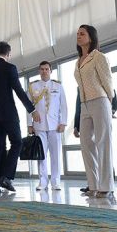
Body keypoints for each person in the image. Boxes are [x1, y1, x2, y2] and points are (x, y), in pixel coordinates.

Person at [0, 42, 39, 194]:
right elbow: (18, 90)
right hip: (8, 114)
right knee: (16, 142)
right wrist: (31, 109)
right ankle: (6, 176)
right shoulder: (10, 68)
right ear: (8, 54)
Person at [74, 24, 115, 198]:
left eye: (82, 34)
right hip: (84, 104)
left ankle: (106, 186)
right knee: (86, 144)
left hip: (100, 101)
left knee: (103, 142)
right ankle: (93, 185)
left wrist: (110, 104)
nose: (79, 36)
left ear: (91, 37)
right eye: (77, 34)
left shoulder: (99, 57)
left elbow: (108, 82)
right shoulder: (78, 61)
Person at [27, 61, 68, 191]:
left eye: (46, 69)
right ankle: (43, 181)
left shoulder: (58, 86)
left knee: (55, 155)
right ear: (39, 71)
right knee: (42, 155)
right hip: (39, 126)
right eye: (42, 69)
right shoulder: (33, 87)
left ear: (50, 71)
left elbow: (63, 106)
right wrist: (29, 124)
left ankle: (55, 182)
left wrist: (63, 122)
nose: (44, 71)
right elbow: (29, 107)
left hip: (55, 125)